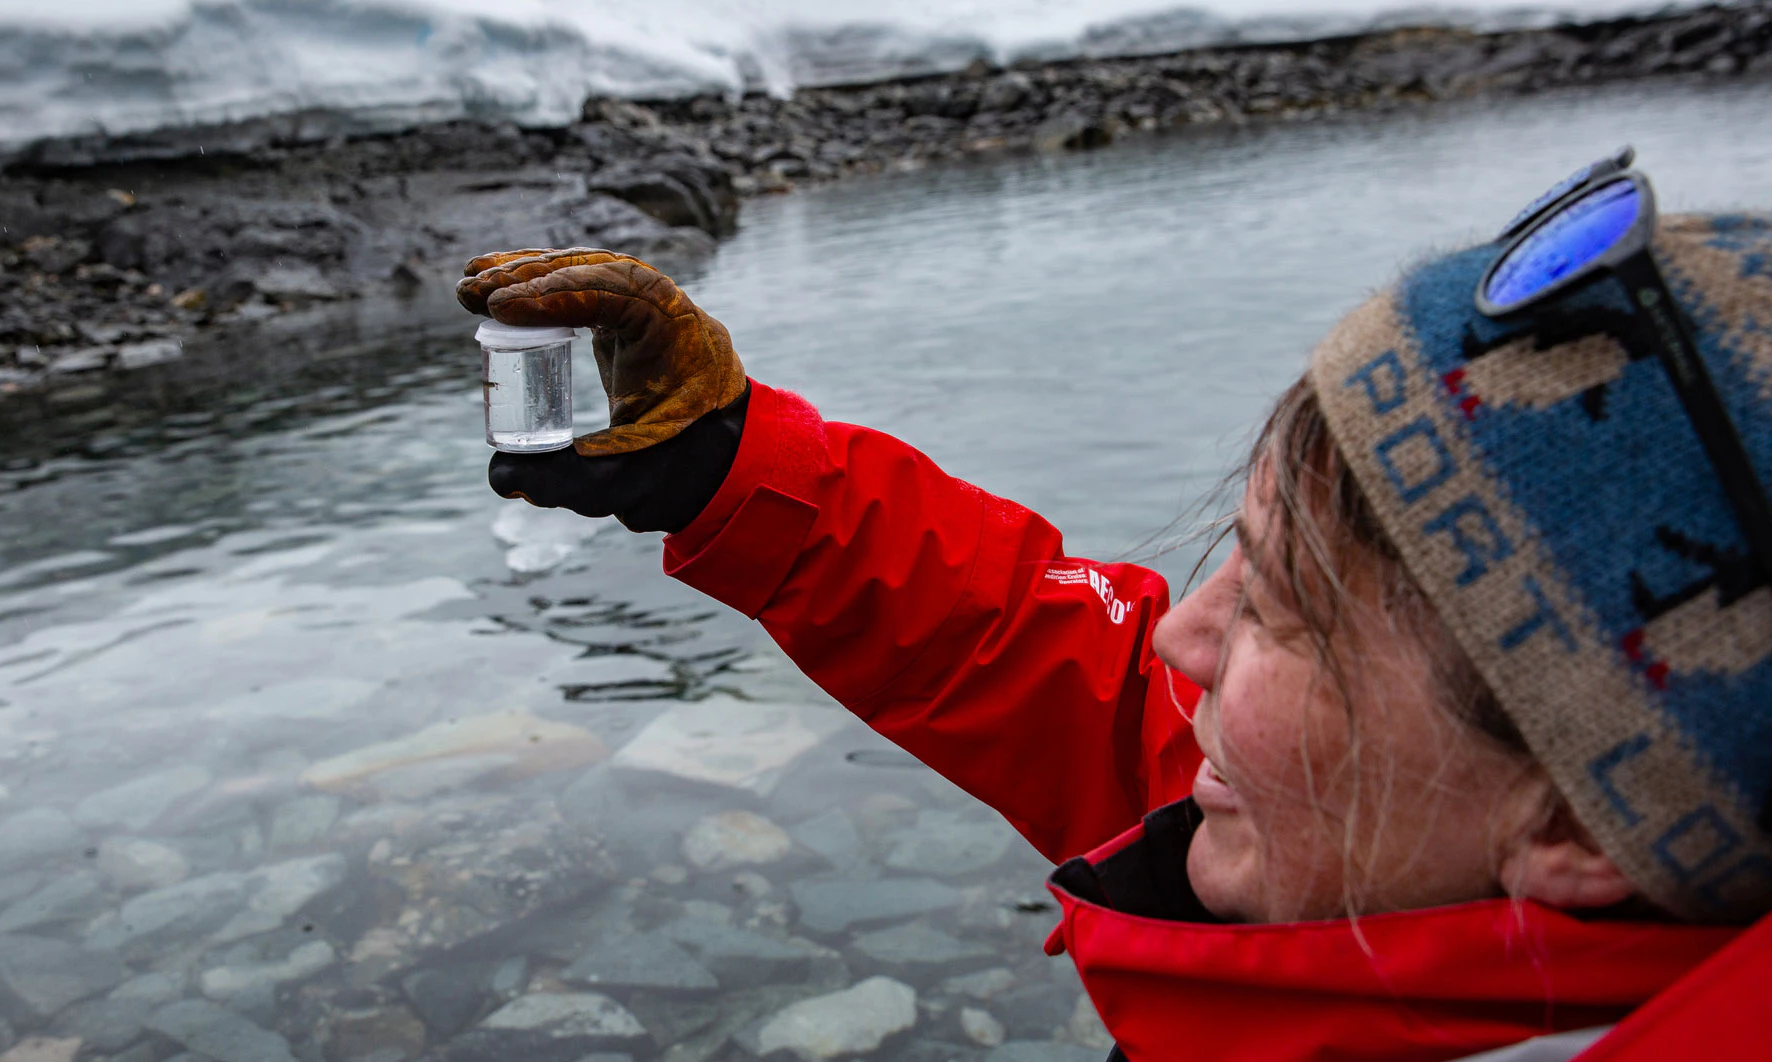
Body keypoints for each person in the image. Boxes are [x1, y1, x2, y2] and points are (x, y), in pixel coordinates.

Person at [455, 152, 1772, 1060]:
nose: (1182, 635)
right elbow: (1048, 654)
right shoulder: (1401, 830)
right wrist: (739, 466)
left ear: (1580, 823)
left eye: (1282, 610)